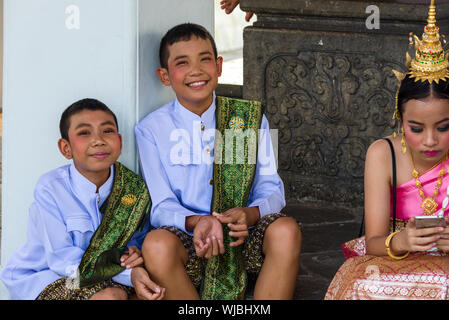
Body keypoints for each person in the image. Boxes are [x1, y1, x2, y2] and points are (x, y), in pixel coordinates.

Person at [133, 23, 302, 300]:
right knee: (156, 244)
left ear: (219, 65)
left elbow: (273, 188)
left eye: (205, 59)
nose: (196, 70)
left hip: (243, 235)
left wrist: (250, 214)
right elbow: (161, 206)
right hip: (189, 240)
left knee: (286, 230)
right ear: (164, 75)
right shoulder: (151, 130)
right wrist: (197, 222)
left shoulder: (248, 118)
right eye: (182, 63)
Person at [326, 0, 449, 300]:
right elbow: (374, 242)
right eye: (416, 128)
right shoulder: (384, 154)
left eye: (444, 127)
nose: (430, 141)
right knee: (361, 285)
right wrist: (403, 240)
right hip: (398, 259)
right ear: (400, 119)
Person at [0, 98, 161, 300]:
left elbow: (136, 243)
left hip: (109, 276)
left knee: (150, 293)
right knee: (110, 297)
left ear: (120, 142)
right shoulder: (51, 188)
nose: (98, 140)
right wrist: (128, 273)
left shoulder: (134, 189)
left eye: (107, 131)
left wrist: (133, 255)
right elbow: (61, 259)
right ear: (65, 148)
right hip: (53, 275)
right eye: (84, 133)